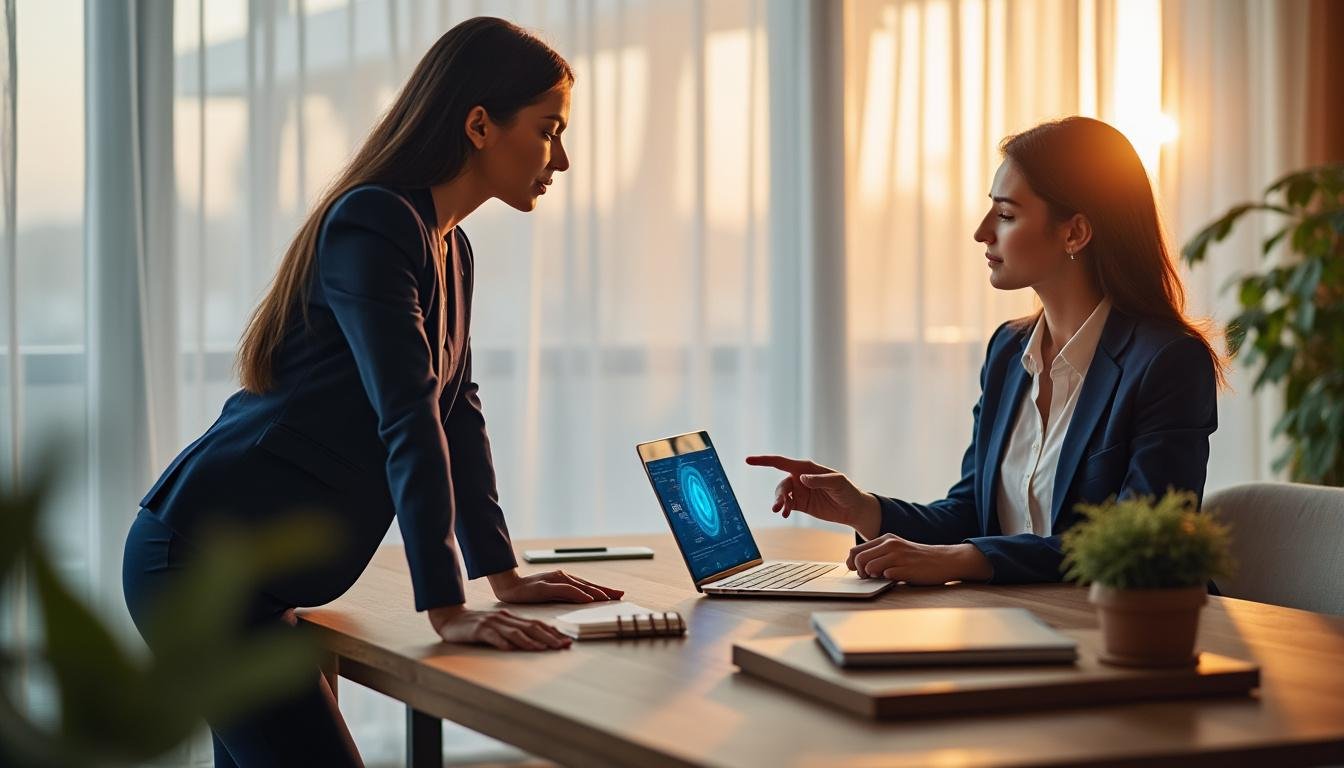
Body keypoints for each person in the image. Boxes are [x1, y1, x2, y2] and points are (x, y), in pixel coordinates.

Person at [122, 17, 620, 767]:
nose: (563, 158)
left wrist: (503, 575)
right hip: (199, 567)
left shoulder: (451, 248)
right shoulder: (375, 221)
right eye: (549, 131)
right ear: (480, 126)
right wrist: (447, 608)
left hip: (253, 577)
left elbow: (457, 411)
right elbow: (408, 414)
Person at [749, 116, 1224, 587]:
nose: (981, 231)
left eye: (1006, 215)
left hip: (1128, 625)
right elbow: (970, 516)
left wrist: (966, 559)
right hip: (1016, 618)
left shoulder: (1168, 362)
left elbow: (1136, 546)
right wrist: (865, 509)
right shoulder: (1008, 351)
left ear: (1075, 233)